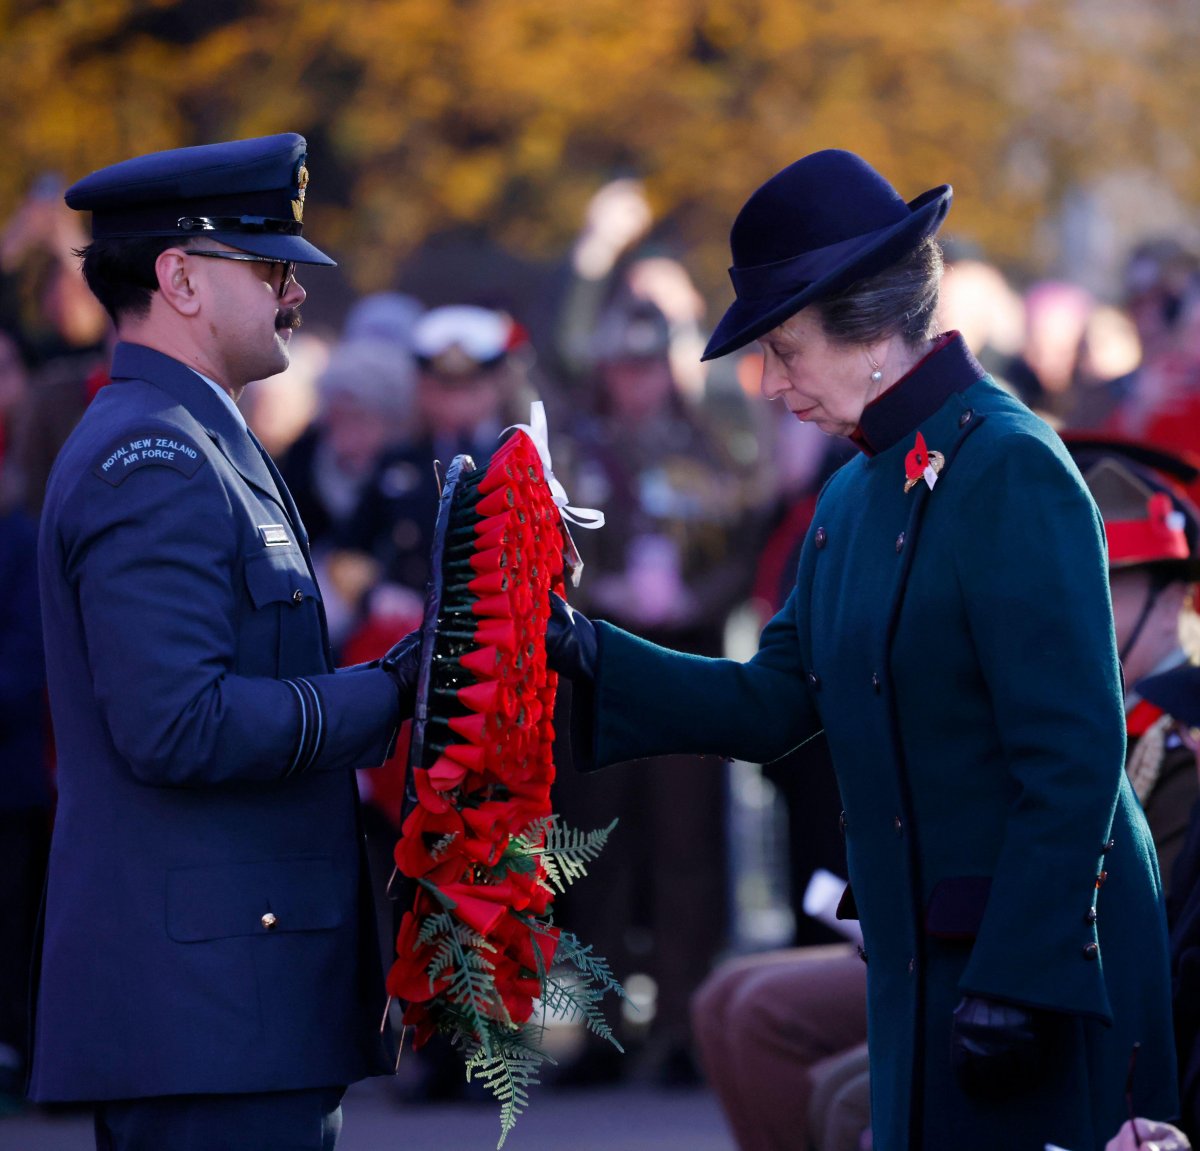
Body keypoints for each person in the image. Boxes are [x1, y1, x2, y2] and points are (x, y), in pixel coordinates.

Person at [546, 149, 1177, 1150]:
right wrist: (577, 651)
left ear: (870, 329)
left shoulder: (1009, 465)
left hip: (1042, 965)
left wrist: (1020, 974)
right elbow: (773, 699)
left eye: (784, 348)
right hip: (928, 964)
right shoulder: (852, 488)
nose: (769, 381)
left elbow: (1074, 759)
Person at [30, 134, 421, 1151]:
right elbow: (178, 722)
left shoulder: (193, 432)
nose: (293, 292)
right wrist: (389, 694)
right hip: (204, 1005)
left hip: (232, 997)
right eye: (271, 267)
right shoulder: (155, 452)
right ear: (182, 278)